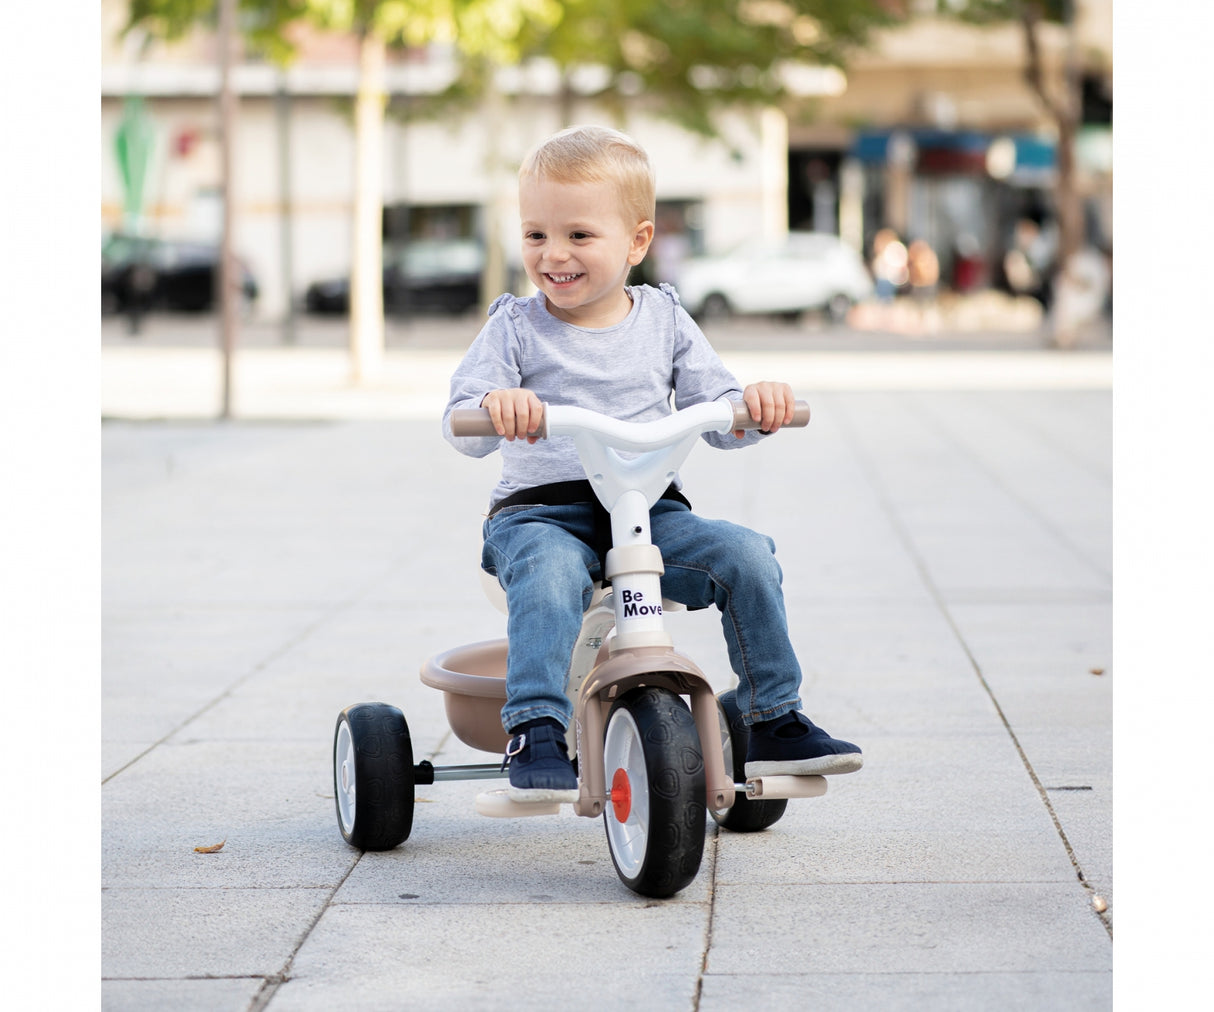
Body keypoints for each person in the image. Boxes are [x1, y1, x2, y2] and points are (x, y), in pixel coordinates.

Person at [443, 126, 862, 803]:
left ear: (638, 242)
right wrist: (496, 404)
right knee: (550, 576)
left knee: (748, 555)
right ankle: (536, 727)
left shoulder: (665, 320)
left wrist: (756, 405)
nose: (554, 255)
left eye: (579, 236)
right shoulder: (515, 327)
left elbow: (721, 414)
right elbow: (462, 425)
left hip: (645, 512)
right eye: (535, 235)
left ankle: (772, 717)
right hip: (540, 514)